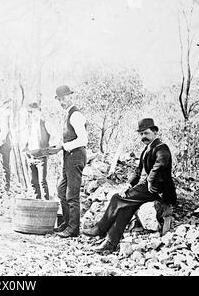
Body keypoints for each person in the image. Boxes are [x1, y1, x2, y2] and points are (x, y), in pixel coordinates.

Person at [83, 118, 177, 253]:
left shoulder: (162, 147)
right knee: (124, 209)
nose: (143, 137)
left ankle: (100, 228)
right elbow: (138, 171)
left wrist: (150, 179)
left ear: (155, 132)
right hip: (148, 188)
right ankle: (110, 243)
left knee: (116, 198)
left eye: (146, 133)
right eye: (141, 134)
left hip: (159, 190)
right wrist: (128, 184)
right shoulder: (147, 149)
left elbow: (161, 163)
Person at [54, 85, 88, 238]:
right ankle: (66, 222)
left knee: (72, 194)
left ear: (71, 96)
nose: (62, 101)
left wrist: (64, 146)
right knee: (61, 190)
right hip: (68, 156)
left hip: (76, 156)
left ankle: (73, 229)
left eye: (64, 98)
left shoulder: (76, 115)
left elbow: (83, 140)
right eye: (59, 99)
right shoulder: (67, 115)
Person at [20, 102, 52, 200]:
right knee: (33, 182)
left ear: (39, 111)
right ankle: (37, 201)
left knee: (42, 181)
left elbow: (53, 136)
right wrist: (25, 150)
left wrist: (48, 150)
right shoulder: (29, 125)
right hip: (31, 156)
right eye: (30, 113)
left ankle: (46, 203)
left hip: (41, 156)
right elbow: (26, 139)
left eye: (33, 112)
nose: (32, 115)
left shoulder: (44, 123)